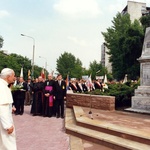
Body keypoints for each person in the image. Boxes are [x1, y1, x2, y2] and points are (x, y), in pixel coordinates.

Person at [0, 68, 17, 150]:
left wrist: (10, 109)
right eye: (13, 75)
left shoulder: (3, 85)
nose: (14, 78)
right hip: (4, 123)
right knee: (8, 145)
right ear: (8, 76)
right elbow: (2, 108)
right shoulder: (2, 87)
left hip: (2, 121)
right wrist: (7, 126)